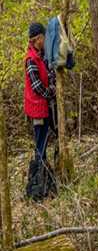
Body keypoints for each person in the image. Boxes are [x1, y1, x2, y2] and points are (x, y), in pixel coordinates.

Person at [24, 22, 57, 163]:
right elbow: (37, 87)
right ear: (37, 39)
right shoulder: (31, 60)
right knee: (41, 144)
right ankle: (39, 176)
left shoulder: (43, 55)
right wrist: (52, 91)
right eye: (44, 37)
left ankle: (57, 167)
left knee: (58, 134)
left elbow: (50, 74)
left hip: (48, 105)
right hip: (37, 108)